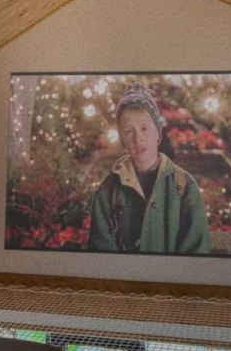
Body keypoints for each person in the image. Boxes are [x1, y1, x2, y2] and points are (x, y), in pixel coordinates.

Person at [87, 82, 211, 254]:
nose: (138, 138)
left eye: (144, 128)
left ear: (158, 134)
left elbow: (196, 248)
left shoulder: (184, 186)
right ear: (122, 140)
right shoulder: (108, 192)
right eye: (129, 131)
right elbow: (101, 249)